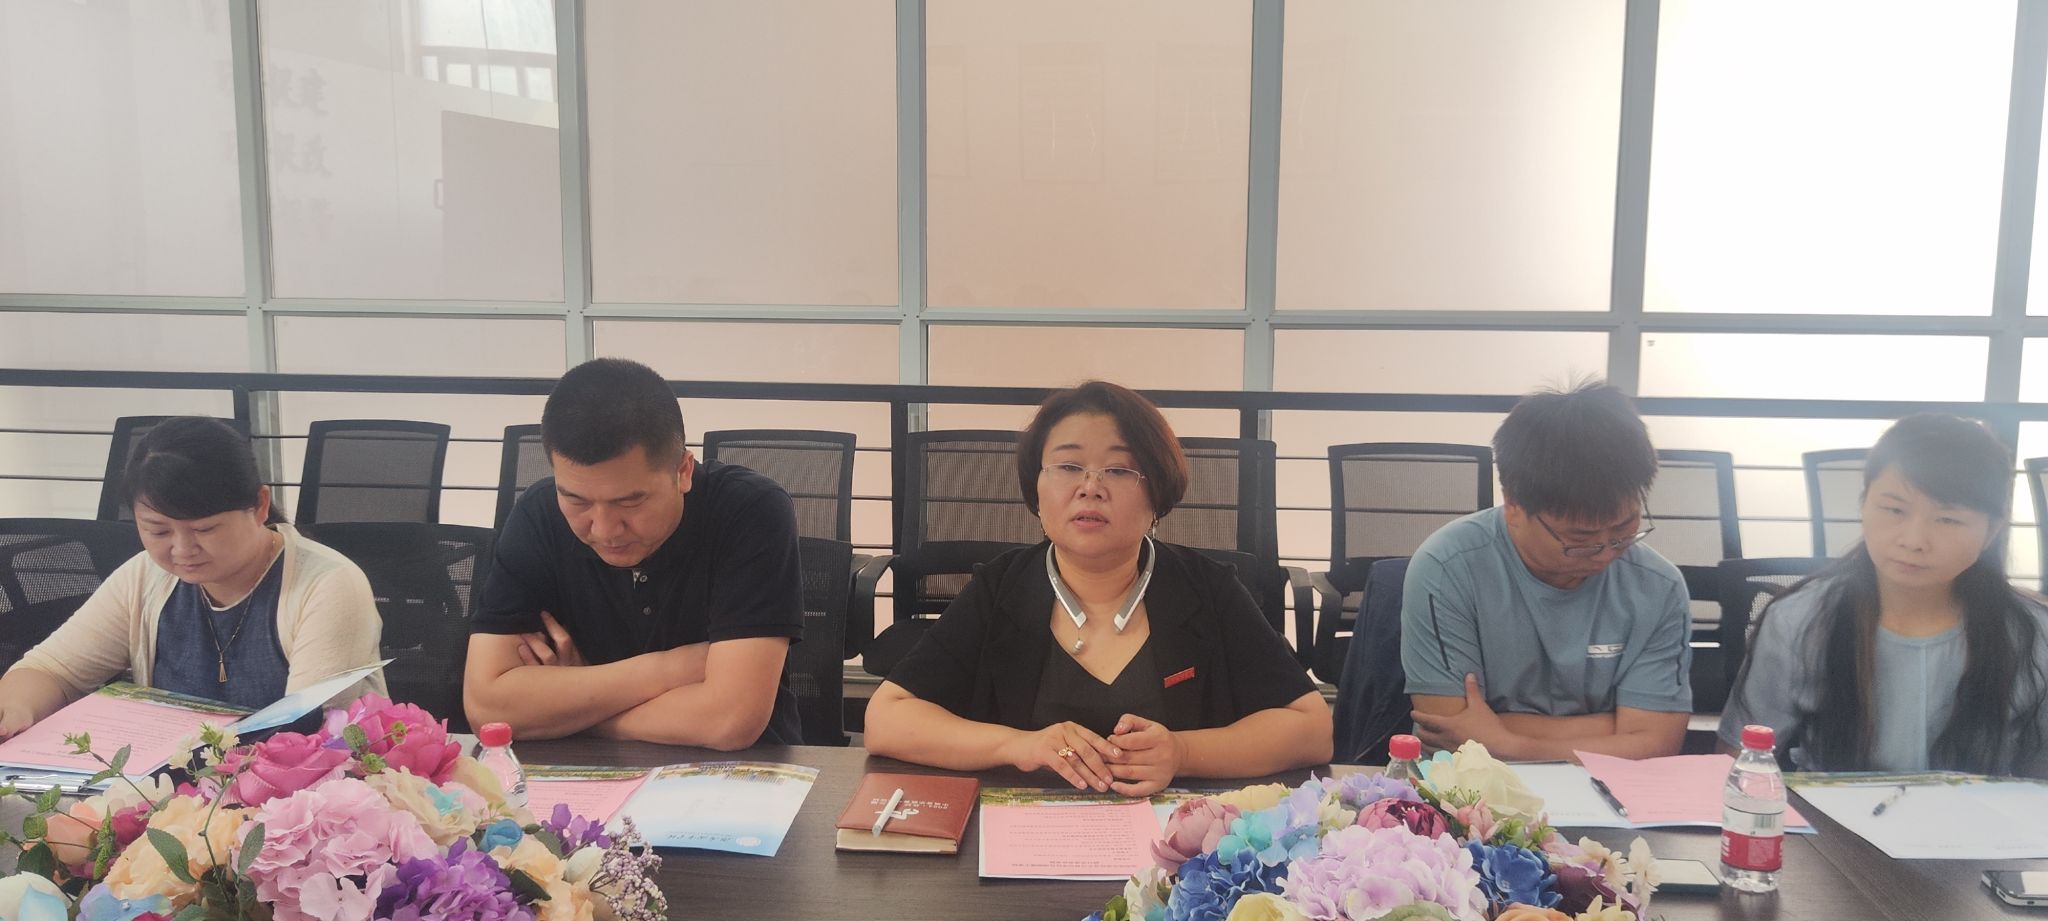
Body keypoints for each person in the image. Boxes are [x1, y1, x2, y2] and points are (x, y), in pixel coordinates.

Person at [865, 381, 1331, 796]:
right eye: (1068, 466)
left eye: (1120, 470)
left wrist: (1183, 753)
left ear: (1157, 494)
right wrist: (1019, 745)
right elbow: (887, 719)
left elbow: (1311, 728)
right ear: (1036, 489)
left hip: (1176, 848)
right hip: (1026, 838)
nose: (1091, 487)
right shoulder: (1001, 588)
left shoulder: (1208, 589)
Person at [463, 358, 804, 749]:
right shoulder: (538, 515)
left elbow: (729, 720)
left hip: (740, 771)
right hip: (578, 772)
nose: (604, 530)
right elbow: (487, 709)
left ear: (683, 471)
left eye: (630, 502)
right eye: (576, 500)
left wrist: (566, 708)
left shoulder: (749, 509)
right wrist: (669, 669)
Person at [0, 417, 384, 739]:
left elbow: (310, 734)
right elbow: (52, 670)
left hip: (293, 791)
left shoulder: (327, 584)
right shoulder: (145, 577)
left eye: (205, 529)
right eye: (158, 530)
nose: (182, 550)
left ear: (260, 506)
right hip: (176, 790)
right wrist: (16, 708)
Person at [1721, 414, 2048, 776]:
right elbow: (1740, 765)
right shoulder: (1798, 620)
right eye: (1894, 510)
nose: (1914, 540)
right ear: (1863, 505)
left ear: (1991, 532)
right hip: (1831, 815)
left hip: (1983, 815)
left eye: (1948, 519)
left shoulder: (2034, 633)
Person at [1402, 380, 1691, 761]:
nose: (1606, 554)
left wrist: (1508, 741)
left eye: (1624, 530)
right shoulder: (1447, 569)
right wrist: (1618, 728)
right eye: (1580, 538)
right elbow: (1448, 732)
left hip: (1610, 789)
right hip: (1474, 787)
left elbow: (1658, 742)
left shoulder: (1658, 586)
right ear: (1513, 507)